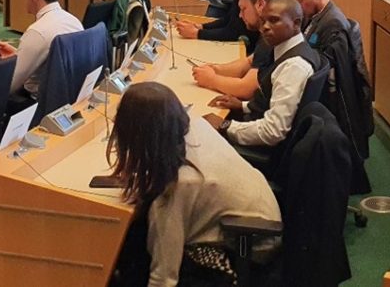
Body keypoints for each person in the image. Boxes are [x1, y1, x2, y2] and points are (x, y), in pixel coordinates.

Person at [107, 82, 280, 287]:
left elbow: (164, 278)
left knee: (134, 247)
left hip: (249, 246)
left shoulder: (178, 185)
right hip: (258, 218)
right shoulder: (197, 126)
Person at [287, 0, 374, 192]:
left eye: (301, 2)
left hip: (332, 102)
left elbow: (327, 74)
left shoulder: (332, 24)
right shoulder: (320, 18)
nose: (300, 9)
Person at [204, 0, 325, 147]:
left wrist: (225, 126)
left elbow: (273, 131)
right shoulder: (286, 49)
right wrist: (243, 105)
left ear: (296, 23)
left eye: (274, 20)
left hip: (266, 147)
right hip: (257, 121)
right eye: (263, 21)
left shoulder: (294, 66)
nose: (265, 27)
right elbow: (271, 101)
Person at [190, 0, 279, 100]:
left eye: (243, 9)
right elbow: (248, 63)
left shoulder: (274, 37)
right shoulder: (268, 32)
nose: (240, 15)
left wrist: (211, 79)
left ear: (260, 4)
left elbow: (246, 89)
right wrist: (215, 69)